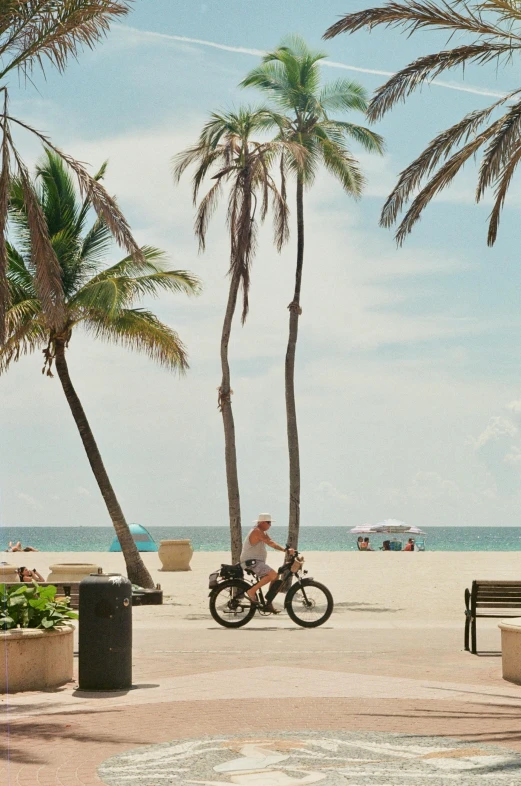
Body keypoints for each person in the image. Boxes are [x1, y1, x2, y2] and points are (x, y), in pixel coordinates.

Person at [240, 513, 294, 614]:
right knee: (273, 574)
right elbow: (270, 543)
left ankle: (268, 603)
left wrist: (285, 549)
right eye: (269, 522)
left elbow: (270, 540)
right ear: (262, 522)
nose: (270, 525)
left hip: (256, 562)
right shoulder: (257, 531)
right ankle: (251, 591)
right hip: (251, 562)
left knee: (275, 577)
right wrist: (285, 550)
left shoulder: (261, 531)